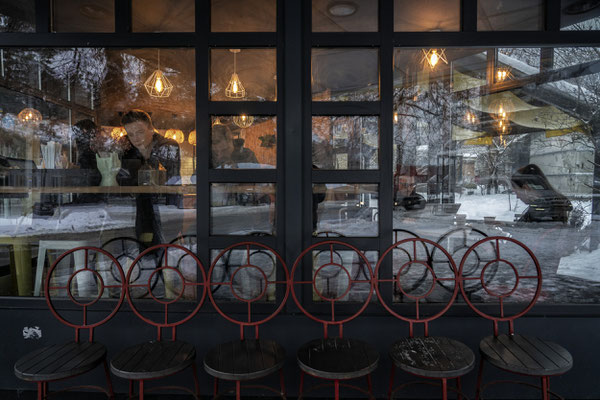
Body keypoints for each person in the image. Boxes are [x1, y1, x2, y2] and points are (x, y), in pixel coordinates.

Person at [120, 109, 182, 246]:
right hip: (138, 209)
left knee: (167, 249)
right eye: (131, 134)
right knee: (141, 250)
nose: (136, 138)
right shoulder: (128, 151)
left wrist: (144, 153)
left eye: (140, 132)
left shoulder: (168, 146)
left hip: (165, 205)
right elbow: (122, 178)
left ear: (151, 129)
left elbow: (170, 176)